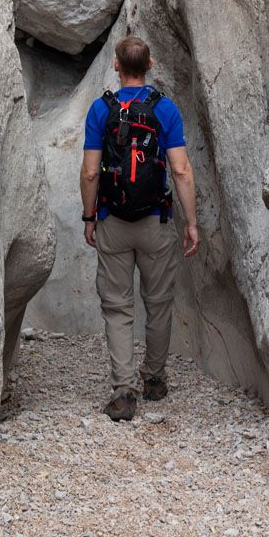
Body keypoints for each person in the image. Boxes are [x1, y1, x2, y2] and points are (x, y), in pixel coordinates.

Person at [80, 35, 199, 422]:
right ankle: (154, 379)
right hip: (156, 221)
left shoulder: (101, 110)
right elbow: (180, 170)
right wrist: (192, 222)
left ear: (116, 65)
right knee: (158, 302)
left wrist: (88, 216)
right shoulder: (165, 110)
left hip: (113, 221)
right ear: (149, 67)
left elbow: (90, 171)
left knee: (117, 307)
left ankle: (123, 390)